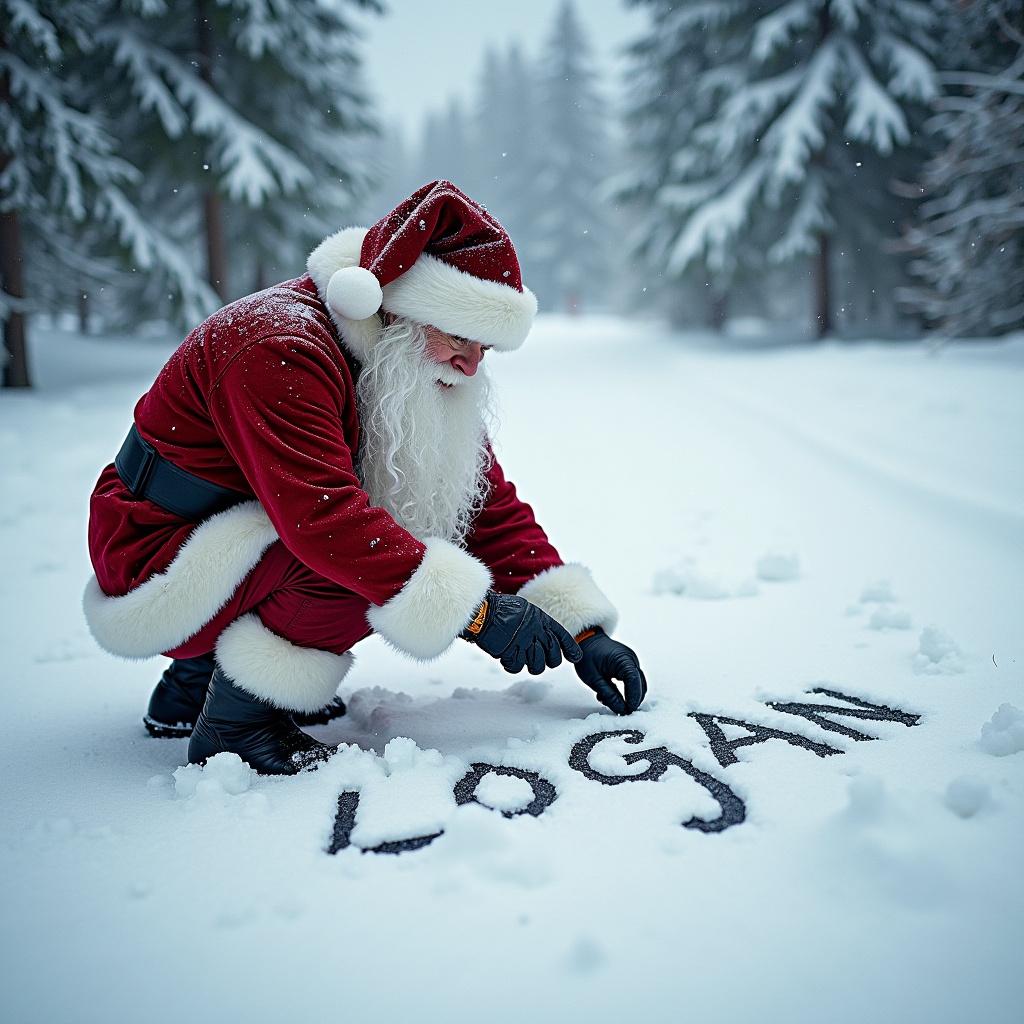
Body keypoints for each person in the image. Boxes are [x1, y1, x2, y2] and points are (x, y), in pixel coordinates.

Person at [83, 181, 646, 775]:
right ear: (397, 307)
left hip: (228, 534)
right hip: (154, 555)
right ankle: (237, 725)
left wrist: (580, 630)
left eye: (485, 346)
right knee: (368, 557)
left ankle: (194, 687)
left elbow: (480, 505)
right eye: (458, 334)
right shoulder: (280, 347)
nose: (471, 363)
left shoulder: (404, 362)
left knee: (409, 521)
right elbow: (324, 522)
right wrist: (477, 613)